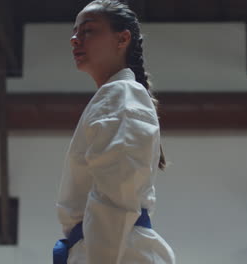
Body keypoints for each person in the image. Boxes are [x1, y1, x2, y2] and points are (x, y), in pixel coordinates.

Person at [53, 1, 176, 263]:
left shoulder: (120, 92)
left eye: (88, 31)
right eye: (75, 32)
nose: (75, 40)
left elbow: (116, 192)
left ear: (122, 39)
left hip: (115, 250)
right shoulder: (116, 94)